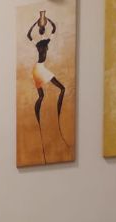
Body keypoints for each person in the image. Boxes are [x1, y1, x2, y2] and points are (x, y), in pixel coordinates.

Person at [27, 10, 68, 160]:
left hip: (39, 69)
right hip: (39, 69)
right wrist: (40, 21)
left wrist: (42, 19)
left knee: (44, 95)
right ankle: (41, 119)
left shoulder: (43, 42)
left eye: (41, 28)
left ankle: (52, 117)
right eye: (41, 27)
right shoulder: (42, 43)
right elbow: (31, 34)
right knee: (56, 91)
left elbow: (32, 34)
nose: (42, 29)